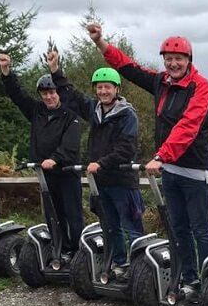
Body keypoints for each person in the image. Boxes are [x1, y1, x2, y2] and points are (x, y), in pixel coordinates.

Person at [87, 22, 208, 298]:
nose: (172, 63)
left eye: (178, 59)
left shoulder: (200, 87)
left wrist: (161, 155)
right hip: (169, 170)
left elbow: (188, 126)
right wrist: (101, 43)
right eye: (168, 59)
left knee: (200, 229)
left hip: (194, 170)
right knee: (177, 227)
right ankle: (189, 279)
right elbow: (129, 68)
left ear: (189, 60)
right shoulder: (161, 82)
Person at [50, 55, 145, 276]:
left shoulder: (127, 115)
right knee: (110, 227)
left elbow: (126, 149)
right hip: (101, 182)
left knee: (131, 228)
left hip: (122, 181)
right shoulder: (95, 110)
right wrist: (56, 71)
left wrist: (100, 163)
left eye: (107, 87)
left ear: (116, 89)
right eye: (99, 87)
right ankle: (120, 265)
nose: (103, 91)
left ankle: (142, 270)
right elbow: (71, 96)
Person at [0, 51, 84, 261]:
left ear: (58, 93)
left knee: (72, 214)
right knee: (53, 215)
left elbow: (70, 145)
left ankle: (78, 254)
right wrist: (7, 72)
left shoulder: (70, 114)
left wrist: (55, 158)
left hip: (66, 172)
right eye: (44, 93)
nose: (48, 96)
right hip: (46, 174)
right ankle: (58, 250)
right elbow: (17, 96)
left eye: (52, 92)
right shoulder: (37, 111)